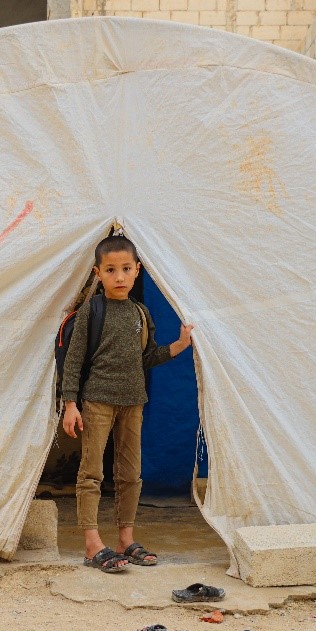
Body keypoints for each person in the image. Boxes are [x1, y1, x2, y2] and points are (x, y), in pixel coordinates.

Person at [61, 234, 194, 572]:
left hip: (134, 402)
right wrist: (70, 403)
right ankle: (92, 544)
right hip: (97, 402)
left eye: (125, 269)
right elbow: (74, 359)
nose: (119, 277)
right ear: (97, 273)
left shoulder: (140, 312)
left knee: (130, 475)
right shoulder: (92, 310)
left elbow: (145, 358)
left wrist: (177, 346)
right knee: (91, 473)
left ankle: (125, 539)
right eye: (110, 270)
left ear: (137, 270)